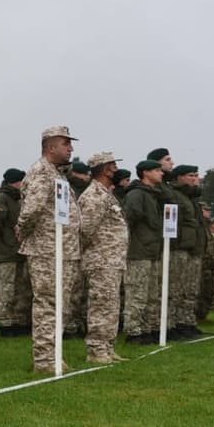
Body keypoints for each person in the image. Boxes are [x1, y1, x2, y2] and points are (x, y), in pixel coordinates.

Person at [16, 126, 81, 374]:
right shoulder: (42, 172)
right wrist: (22, 229)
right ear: (51, 147)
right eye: (66, 144)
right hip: (46, 249)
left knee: (59, 304)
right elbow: (32, 208)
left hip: (61, 248)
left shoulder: (56, 173)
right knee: (47, 304)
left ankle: (54, 355)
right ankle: (45, 359)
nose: (71, 149)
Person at [77, 152, 128, 363]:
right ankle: (96, 350)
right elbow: (85, 230)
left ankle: (107, 346)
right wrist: (95, 254)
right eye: (113, 166)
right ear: (106, 169)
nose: (116, 169)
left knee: (111, 305)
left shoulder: (106, 194)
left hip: (112, 260)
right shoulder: (94, 195)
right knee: (101, 304)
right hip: (101, 260)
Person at [122, 160, 166, 345]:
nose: (161, 173)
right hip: (139, 252)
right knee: (137, 293)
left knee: (151, 295)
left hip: (152, 251)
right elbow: (128, 220)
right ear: (145, 173)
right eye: (157, 170)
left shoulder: (153, 195)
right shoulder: (136, 194)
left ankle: (148, 329)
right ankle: (134, 332)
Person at [0, 168, 31, 337]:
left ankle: (18, 320)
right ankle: (5, 322)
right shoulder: (2, 198)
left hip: (19, 251)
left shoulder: (20, 200)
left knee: (20, 289)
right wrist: (7, 237)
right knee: (5, 288)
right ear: (15, 182)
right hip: (6, 251)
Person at [168, 165, 206, 339]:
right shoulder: (175, 195)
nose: (195, 178)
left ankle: (187, 322)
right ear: (179, 177)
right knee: (176, 288)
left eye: (196, 175)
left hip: (193, 247)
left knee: (190, 289)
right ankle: (172, 324)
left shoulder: (192, 197)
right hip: (180, 247)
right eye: (191, 175)